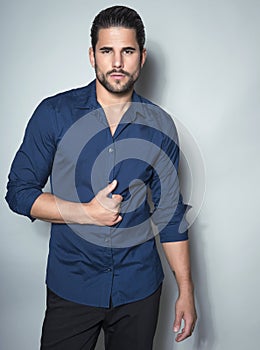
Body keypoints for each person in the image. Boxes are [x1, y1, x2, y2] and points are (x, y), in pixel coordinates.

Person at [5, 5, 197, 350]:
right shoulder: (54, 114)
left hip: (139, 288)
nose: (118, 62)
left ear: (142, 57)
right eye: (107, 51)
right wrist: (85, 213)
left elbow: (170, 215)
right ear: (92, 56)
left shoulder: (160, 126)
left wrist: (186, 291)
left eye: (128, 51)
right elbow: (18, 192)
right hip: (72, 286)